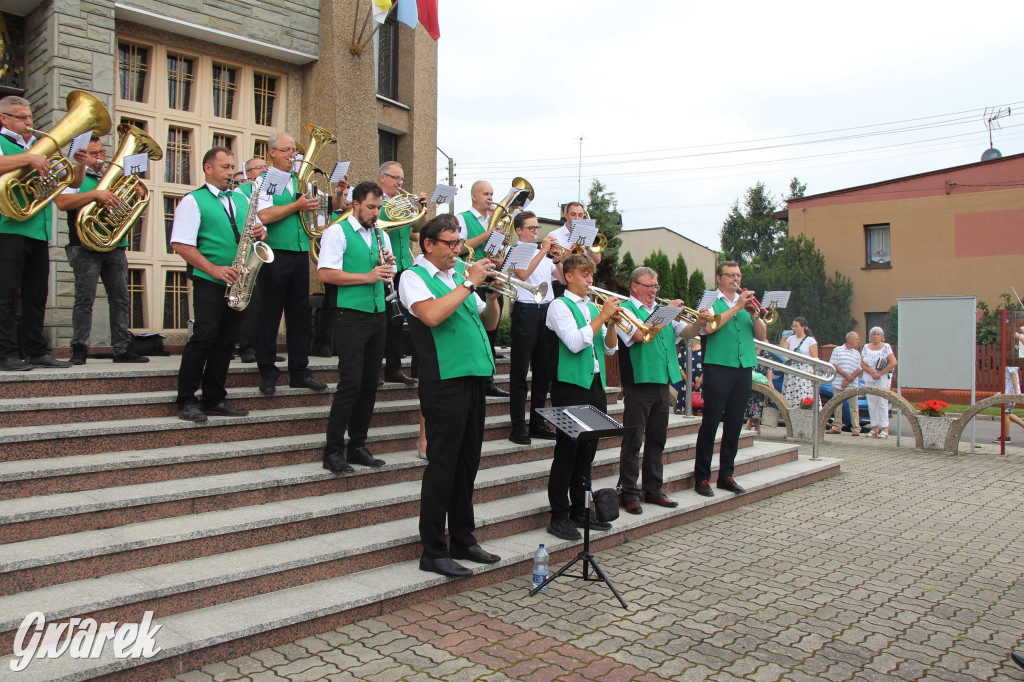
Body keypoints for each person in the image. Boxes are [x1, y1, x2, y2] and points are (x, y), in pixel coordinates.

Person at [398, 216, 502, 577]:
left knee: (467, 463)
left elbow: (488, 324)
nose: (459, 250)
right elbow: (431, 315)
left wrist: (491, 295)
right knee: (443, 465)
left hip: (473, 377)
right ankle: (433, 550)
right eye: (451, 243)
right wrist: (469, 284)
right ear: (429, 244)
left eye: (459, 243)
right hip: (444, 381)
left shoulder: (457, 278)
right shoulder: (413, 277)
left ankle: (462, 537)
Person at [170, 146, 265, 421]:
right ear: (208, 168)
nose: (230, 172)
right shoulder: (193, 200)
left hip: (241, 280)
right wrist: (213, 269)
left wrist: (262, 231)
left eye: (232, 166)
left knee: (226, 342)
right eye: (224, 167)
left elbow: (257, 232)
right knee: (203, 339)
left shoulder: (241, 199)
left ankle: (214, 398)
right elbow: (180, 243)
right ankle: (186, 399)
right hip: (210, 281)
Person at [317, 181, 393, 472]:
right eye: (371, 207)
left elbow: (385, 273)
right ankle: (333, 450)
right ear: (355, 204)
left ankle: (357, 445)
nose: (375, 213)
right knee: (350, 383)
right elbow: (325, 274)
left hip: (377, 313)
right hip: (349, 315)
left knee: (370, 384)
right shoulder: (337, 232)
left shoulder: (380, 234)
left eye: (378, 207)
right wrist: (369, 275)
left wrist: (388, 266)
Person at [54, 135, 148, 365]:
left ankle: (122, 348)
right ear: (81, 156)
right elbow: (62, 203)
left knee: (120, 298)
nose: (99, 158)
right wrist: (95, 194)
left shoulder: (114, 178)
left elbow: (125, 207)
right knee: (84, 298)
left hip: (114, 244)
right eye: (93, 154)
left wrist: (132, 197)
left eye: (101, 153)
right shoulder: (73, 178)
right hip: (83, 244)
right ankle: (79, 348)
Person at [545, 253, 619, 540]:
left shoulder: (592, 307)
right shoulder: (558, 306)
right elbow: (575, 344)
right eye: (584, 274)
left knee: (587, 453)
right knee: (567, 452)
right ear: (569, 277)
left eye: (592, 275)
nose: (591, 280)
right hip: (569, 384)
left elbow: (610, 349)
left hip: (594, 383)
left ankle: (579, 509)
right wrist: (603, 315)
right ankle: (558, 515)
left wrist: (612, 322)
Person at [0, 95, 77, 371]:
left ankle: (36, 350)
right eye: (22, 117)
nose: (29, 122)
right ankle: (5, 353)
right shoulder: (8, 144)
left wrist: (75, 162)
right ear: (4, 119)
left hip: (37, 230)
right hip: (6, 227)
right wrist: (29, 159)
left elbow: (70, 182)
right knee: (5, 294)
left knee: (37, 294)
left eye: (30, 117)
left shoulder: (36, 146)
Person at [616, 266, 695, 515]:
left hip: (663, 381)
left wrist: (700, 322)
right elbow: (640, 335)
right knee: (633, 440)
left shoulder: (659, 313)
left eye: (656, 286)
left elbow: (689, 333)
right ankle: (629, 491)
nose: (653, 290)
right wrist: (666, 314)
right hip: (639, 382)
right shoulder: (624, 310)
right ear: (635, 286)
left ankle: (653, 489)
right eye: (649, 286)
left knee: (657, 439)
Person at [254, 132, 326, 394]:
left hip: (298, 251)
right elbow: (262, 214)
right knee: (271, 314)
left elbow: (317, 217)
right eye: (286, 150)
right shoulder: (262, 181)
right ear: (271, 152)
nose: (292, 155)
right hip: (273, 252)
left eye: (294, 150)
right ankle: (268, 372)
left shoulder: (301, 181)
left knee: (299, 315)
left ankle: (300, 370)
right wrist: (297, 205)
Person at [692, 261, 767, 497]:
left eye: (739, 275)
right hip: (718, 367)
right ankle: (702, 478)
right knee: (711, 424)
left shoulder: (748, 305)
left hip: (743, 367)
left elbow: (762, 337)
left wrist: (754, 315)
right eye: (731, 275)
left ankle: (726, 475)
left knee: (734, 424)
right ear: (719, 278)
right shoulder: (709, 302)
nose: (736, 279)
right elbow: (709, 328)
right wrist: (737, 307)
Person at [507, 210, 563, 445]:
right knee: (520, 372)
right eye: (531, 228)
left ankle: (537, 423)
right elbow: (523, 273)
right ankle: (518, 427)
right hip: (526, 310)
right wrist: (542, 251)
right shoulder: (515, 250)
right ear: (519, 230)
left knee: (543, 373)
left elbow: (562, 280)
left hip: (547, 311)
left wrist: (558, 258)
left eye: (537, 228)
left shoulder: (545, 256)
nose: (536, 232)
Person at [379, 161, 424, 386]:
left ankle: (394, 368)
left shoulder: (403, 203)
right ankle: (377, 368)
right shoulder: (376, 204)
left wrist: (420, 208)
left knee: (399, 319)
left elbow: (419, 231)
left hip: (404, 265)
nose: (400, 183)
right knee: (383, 319)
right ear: (382, 178)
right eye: (396, 178)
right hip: (382, 265)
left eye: (402, 179)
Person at [234, 156, 273, 364]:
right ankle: (247, 346)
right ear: (248, 174)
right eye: (259, 168)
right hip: (244, 253)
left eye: (265, 167)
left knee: (265, 302)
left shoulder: (269, 192)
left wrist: (262, 233)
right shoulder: (240, 193)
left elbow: (262, 227)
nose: (264, 171)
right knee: (251, 301)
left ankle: (264, 347)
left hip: (264, 250)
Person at [860, 326, 896, 438]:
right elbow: (861, 363)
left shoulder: (886, 347)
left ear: (882, 336)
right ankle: (874, 427)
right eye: (874, 334)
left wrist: (879, 373)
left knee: (882, 402)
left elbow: (893, 362)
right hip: (869, 378)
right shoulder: (866, 347)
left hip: (882, 378)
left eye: (878, 334)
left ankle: (884, 428)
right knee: (871, 403)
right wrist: (871, 372)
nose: (876, 337)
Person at [827, 331, 863, 435]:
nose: (858, 341)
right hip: (838, 383)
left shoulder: (856, 353)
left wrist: (848, 380)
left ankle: (856, 428)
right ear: (850, 339)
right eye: (856, 339)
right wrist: (845, 375)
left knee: (854, 407)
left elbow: (859, 369)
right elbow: (834, 365)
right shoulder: (837, 350)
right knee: (837, 406)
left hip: (852, 384)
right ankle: (836, 427)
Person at [781, 317, 818, 409]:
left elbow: (815, 358)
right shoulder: (790, 339)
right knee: (791, 395)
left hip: (805, 370)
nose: (794, 328)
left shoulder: (810, 340)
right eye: (793, 326)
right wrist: (784, 338)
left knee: (803, 394)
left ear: (803, 327)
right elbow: (782, 352)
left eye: (796, 326)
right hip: (793, 370)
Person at [994, 354, 1024, 444]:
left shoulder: (1011, 363)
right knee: (1007, 412)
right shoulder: (1009, 363)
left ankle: (1006, 436)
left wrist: (1016, 394)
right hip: (1007, 391)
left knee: (1006, 413)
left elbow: (1014, 377)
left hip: (1010, 393)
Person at [744, 351, 774, 434]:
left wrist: (769, 381)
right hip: (748, 379)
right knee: (750, 403)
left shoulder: (766, 353)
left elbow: (769, 368)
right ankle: (751, 422)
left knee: (757, 403)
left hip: (761, 380)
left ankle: (755, 424)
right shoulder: (749, 349)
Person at [672, 337, 703, 414]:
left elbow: (708, 366)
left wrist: (699, 380)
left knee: (700, 406)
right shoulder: (683, 349)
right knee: (687, 407)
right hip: (685, 382)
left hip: (700, 381)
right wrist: (687, 380)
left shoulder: (704, 350)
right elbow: (679, 366)